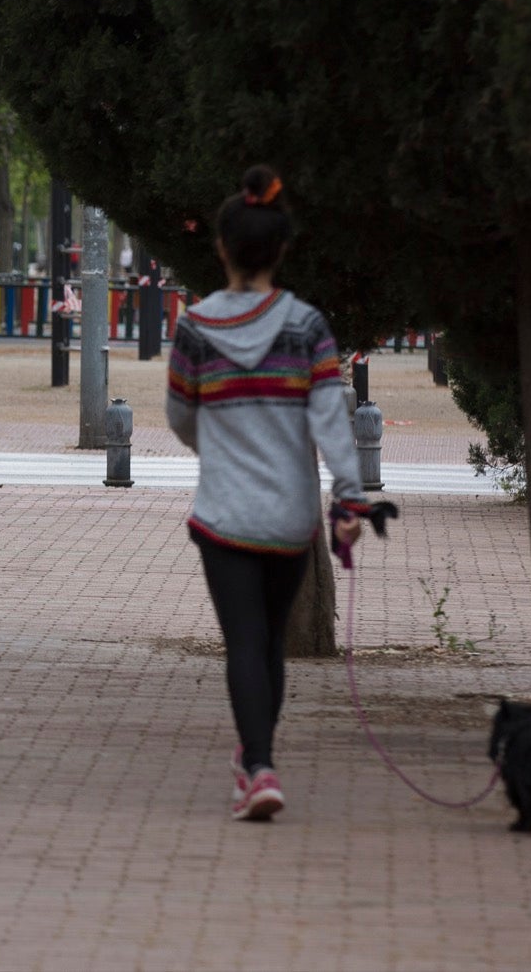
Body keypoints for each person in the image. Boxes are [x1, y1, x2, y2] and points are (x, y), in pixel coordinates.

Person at [166, 165, 373, 823]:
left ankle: (257, 765)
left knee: (244, 641)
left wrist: (218, 448)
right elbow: (329, 417)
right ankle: (258, 760)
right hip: (289, 519)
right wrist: (348, 497)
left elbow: (180, 414)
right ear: (282, 249)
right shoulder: (306, 326)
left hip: (224, 514)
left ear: (223, 248)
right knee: (270, 640)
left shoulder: (196, 328)